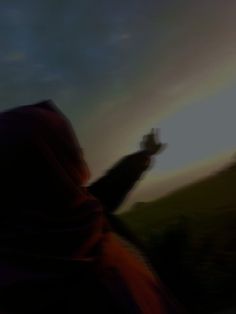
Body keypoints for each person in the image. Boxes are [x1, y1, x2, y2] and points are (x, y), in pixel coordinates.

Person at [0, 100, 183, 313]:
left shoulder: (69, 219)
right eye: (65, 148)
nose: (81, 152)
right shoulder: (74, 233)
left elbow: (111, 186)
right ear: (44, 166)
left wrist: (144, 155)